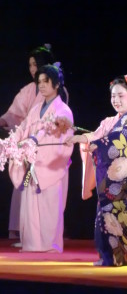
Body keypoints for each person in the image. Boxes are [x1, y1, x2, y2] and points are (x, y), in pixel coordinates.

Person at [65, 73, 127, 266]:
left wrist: (94, 142)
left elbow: (119, 141)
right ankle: (110, 256)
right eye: (113, 96)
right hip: (111, 181)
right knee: (107, 219)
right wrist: (85, 139)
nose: (115, 100)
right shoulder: (109, 121)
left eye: (120, 95)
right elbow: (96, 137)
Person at [0, 44, 69, 241]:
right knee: (28, 200)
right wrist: (13, 141)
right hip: (30, 154)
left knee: (48, 203)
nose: (32, 70)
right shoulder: (31, 95)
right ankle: (29, 238)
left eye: (35, 65)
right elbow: (19, 119)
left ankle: (48, 241)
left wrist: (35, 139)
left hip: (49, 157)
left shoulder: (60, 102)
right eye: (30, 65)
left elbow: (57, 126)